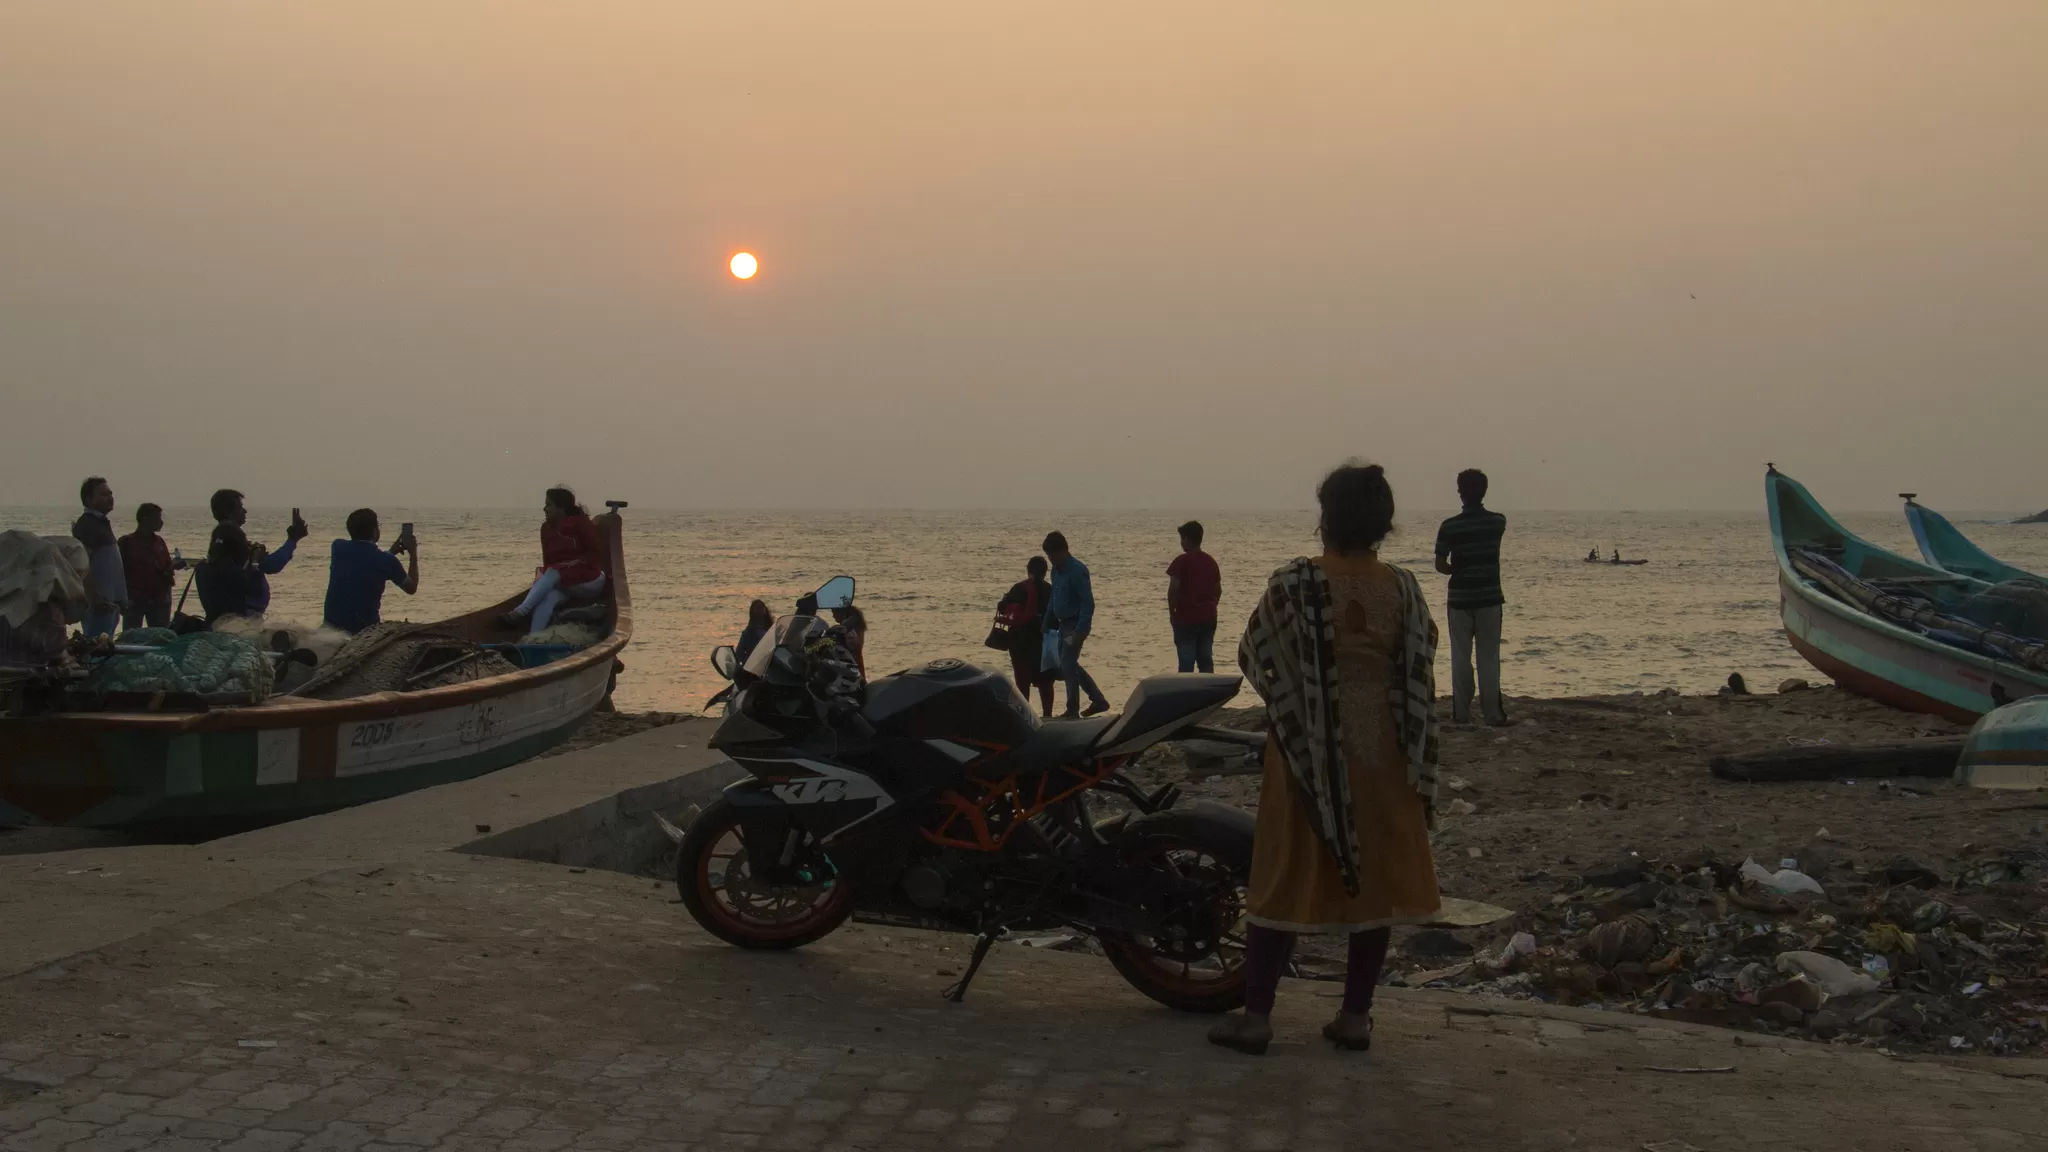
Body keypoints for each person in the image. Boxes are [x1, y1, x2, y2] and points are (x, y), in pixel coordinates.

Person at [1209, 461, 1442, 1056]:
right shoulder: (1403, 588)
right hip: (1384, 758)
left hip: (1309, 757)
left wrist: (1302, 700)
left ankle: (1257, 1016)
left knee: (1283, 872)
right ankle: (1355, 1016)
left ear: (1326, 518)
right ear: (1385, 524)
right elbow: (1419, 666)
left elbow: (1254, 649)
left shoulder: (1293, 585)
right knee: (1376, 885)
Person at [1433, 468, 1508, 726]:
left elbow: (1440, 565)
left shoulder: (1450, 527)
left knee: (1460, 657)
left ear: (1460, 492)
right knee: (1488, 657)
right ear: (1484, 491)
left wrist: (1457, 568)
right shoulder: (1498, 522)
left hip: (1460, 598)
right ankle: (1493, 714)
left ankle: (1462, 713)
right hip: (1489, 597)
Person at [499, 487, 606, 634]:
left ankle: (519, 613)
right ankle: (533, 639)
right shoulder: (546, 529)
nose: (544, 508)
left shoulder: (580, 523)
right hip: (563, 582)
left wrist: (571, 565)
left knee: (553, 571)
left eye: (548, 505)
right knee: (547, 596)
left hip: (590, 580)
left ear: (560, 507)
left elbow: (594, 554)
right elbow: (548, 562)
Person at [208, 488, 308, 618]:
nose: (245, 511)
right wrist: (293, 539)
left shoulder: (218, 542)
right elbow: (272, 565)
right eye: (240, 508)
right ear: (228, 512)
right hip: (246, 617)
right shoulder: (234, 538)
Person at [1042, 531, 1109, 718]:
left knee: (1067, 662)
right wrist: (1047, 621)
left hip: (1075, 625)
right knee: (1068, 664)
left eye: (1052, 555)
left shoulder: (1077, 570)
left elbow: (1088, 603)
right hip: (1062, 626)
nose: (1050, 559)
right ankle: (1098, 699)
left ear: (1061, 551)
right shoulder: (1055, 571)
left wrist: (1081, 630)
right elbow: (1053, 598)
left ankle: (1072, 709)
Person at [322, 509, 420, 634]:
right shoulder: (386, 561)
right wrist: (413, 553)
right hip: (362, 632)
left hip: (330, 626)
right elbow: (411, 588)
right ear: (374, 531)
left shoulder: (337, 547)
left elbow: (363, 562)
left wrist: (390, 552)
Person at [997, 557, 1056, 717]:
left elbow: (1002, 608)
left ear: (1028, 570)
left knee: (1022, 684)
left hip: (1020, 642)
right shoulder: (1050, 590)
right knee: (1046, 684)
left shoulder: (1019, 588)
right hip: (1044, 642)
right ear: (1045, 572)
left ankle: (1024, 717)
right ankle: (1048, 716)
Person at [71, 477, 126, 639]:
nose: (110, 498)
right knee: (95, 648)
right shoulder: (88, 525)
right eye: (103, 495)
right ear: (89, 499)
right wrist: (94, 597)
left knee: (104, 645)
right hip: (99, 605)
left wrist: (122, 598)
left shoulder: (100, 523)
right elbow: (82, 565)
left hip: (110, 603)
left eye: (110, 493)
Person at [1167, 520, 1222, 674]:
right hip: (1208, 618)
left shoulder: (1180, 562)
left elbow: (1173, 591)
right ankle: (1208, 691)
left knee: (1186, 662)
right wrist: (1211, 606)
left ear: (1188, 540)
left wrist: (1172, 613)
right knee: (1205, 659)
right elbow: (1218, 590)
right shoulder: (1211, 562)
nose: (1181, 542)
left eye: (1182, 539)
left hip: (1186, 619)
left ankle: (1185, 693)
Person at [117, 503, 184, 631]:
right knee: (131, 636)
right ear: (145, 519)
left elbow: (166, 567)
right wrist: (123, 598)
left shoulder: (159, 542)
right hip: (134, 600)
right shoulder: (126, 543)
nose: (161, 522)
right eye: (158, 518)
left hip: (158, 600)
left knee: (161, 636)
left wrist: (172, 568)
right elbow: (118, 572)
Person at [194, 524, 264, 623]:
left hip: (212, 623)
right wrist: (255, 563)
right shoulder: (232, 572)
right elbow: (256, 591)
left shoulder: (201, 568)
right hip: (233, 626)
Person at [832, 604, 868, 678]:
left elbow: (842, 628)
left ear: (841, 612)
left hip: (852, 660)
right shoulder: (856, 622)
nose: (833, 616)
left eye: (834, 613)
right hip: (856, 658)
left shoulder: (849, 624)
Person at [735, 599, 774, 665]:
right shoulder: (748, 633)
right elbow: (739, 653)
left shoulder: (771, 629)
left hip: (770, 664)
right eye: (757, 609)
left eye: (760, 608)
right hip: (755, 666)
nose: (758, 611)